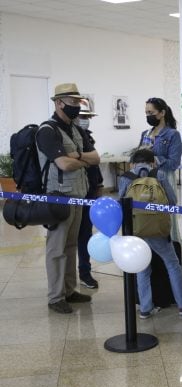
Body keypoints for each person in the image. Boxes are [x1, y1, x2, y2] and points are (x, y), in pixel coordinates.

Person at [36, 83, 100, 313]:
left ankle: (70, 290)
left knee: (71, 245)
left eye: (78, 102)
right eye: (73, 102)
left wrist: (78, 156)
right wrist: (81, 159)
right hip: (58, 198)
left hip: (78, 195)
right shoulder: (47, 130)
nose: (76, 106)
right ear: (59, 102)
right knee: (56, 248)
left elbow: (96, 157)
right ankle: (55, 297)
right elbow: (63, 163)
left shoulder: (76, 129)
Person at [118, 149, 182, 319]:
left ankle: (146, 309)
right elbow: (172, 201)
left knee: (142, 267)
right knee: (172, 264)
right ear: (152, 162)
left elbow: (121, 202)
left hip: (135, 230)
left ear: (133, 163)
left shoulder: (126, 177)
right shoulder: (159, 174)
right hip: (158, 230)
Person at [139, 97, 182, 295]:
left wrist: (154, 157)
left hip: (164, 186)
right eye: (146, 114)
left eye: (151, 113)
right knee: (148, 233)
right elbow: (138, 159)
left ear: (161, 113)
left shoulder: (172, 135)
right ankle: (154, 280)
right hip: (145, 190)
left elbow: (173, 163)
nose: (148, 117)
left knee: (171, 234)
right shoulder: (145, 134)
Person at [75, 100, 104, 289]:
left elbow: (95, 163)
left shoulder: (87, 136)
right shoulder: (69, 136)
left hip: (90, 191)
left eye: (88, 117)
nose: (85, 121)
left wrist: (99, 184)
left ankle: (85, 271)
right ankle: (75, 274)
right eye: (83, 117)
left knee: (85, 233)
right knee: (73, 235)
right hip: (75, 191)